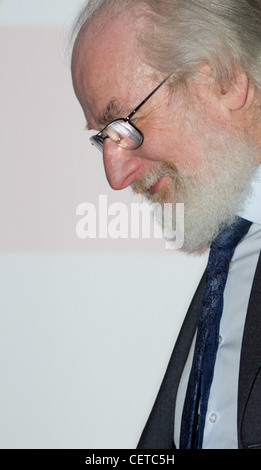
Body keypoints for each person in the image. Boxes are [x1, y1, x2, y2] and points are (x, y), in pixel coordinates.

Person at [70, 0, 261, 449]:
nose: (115, 176)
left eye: (124, 126)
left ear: (226, 79)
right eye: (104, 139)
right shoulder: (233, 254)